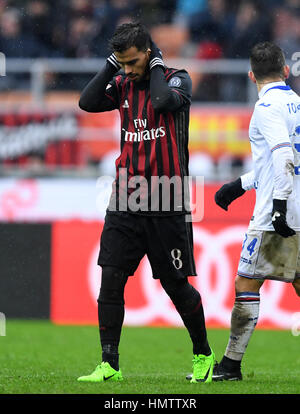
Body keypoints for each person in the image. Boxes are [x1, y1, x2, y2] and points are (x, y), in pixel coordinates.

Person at [77, 22, 214, 384]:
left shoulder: (176, 78)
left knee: (175, 285)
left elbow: (161, 102)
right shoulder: (120, 83)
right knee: (111, 279)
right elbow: (86, 102)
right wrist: (112, 65)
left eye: (133, 62)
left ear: (150, 54)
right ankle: (109, 364)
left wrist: (153, 67)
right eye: (121, 63)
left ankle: (203, 354)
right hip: (126, 194)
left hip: (167, 195)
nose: (127, 70)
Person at [212, 41, 300, 380]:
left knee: (246, 282)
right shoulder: (296, 103)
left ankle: (231, 365)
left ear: (251, 75)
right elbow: (284, 161)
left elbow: (282, 156)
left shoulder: (266, 107)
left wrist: (278, 208)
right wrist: (240, 185)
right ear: (286, 71)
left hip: (274, 214)